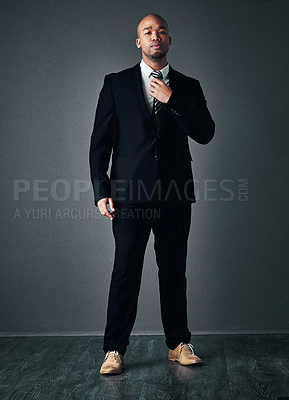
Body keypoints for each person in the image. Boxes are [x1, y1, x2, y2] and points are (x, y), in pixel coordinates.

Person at [89, 13, 215, 374]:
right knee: (126, 270)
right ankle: (114, 349)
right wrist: (101, 189)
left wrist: (172, 98)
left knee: (173, 270)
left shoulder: (188, 86)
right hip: (129, 195)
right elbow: (100, 142)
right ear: (139, 42)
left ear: (169, 41)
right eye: (148, 32)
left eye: (161, 31)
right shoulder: (116, 84)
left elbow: (205, 133)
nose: (155, 36)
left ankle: (178, 344)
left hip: (175, 194)